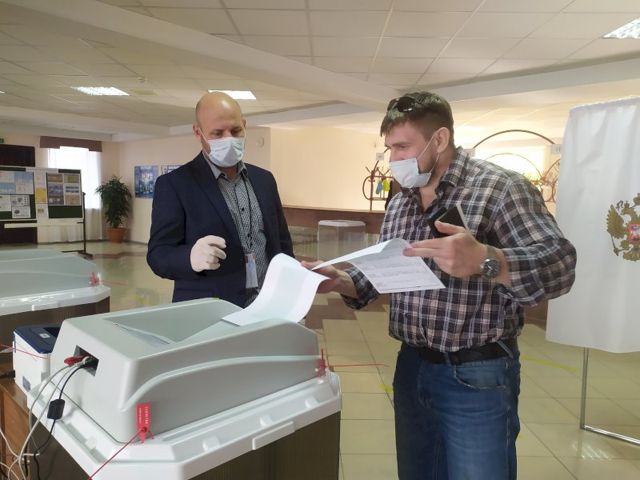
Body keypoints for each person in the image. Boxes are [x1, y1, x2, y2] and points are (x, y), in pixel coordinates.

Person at [305, 91, 577, 480]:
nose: (394, 159)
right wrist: (340, 280)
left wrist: (486, 260)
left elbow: (560, 264)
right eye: (389, 148)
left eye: (403, 147)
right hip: (411, 367)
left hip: (476, 372)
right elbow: (384, 273)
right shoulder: (401, 201)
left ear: (440, 139)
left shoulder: (499, 188)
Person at [147, 92, 293, 306]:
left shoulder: (265, 180)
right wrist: (189, 257)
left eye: (236, 131)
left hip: (266, 304)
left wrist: (290, 291)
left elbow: (282, 243)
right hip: (209, 309)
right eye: (217, 133)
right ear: (198, 132)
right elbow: (158, 256)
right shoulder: (175, 185)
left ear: (244, 126)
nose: (229, 139)